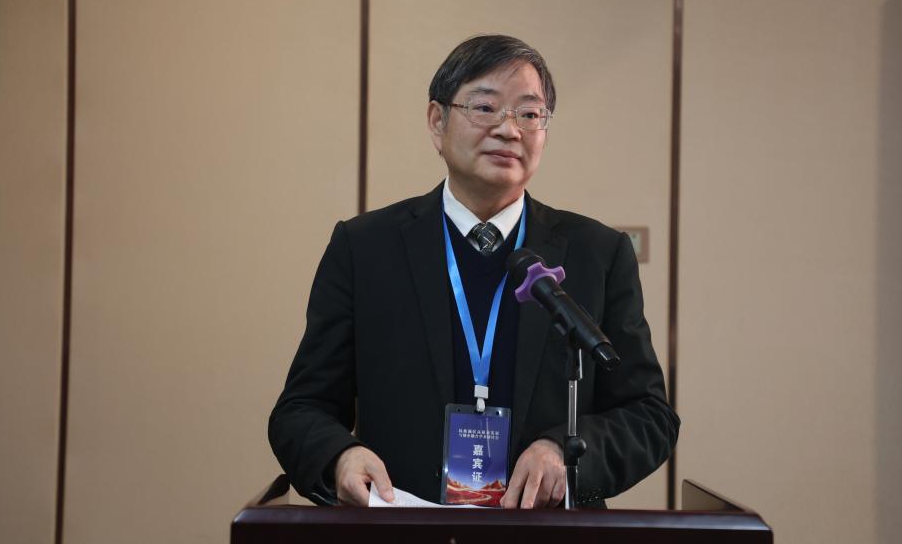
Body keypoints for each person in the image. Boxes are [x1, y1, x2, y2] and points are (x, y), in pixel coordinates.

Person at [269, 34, 679, 509]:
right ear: (437, 121)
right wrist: (340, 457)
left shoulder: (597, 254)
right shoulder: (365, 248)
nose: (510, 130)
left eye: (530, 114)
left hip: (546, 534)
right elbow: (301, 409)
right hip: (403, 529)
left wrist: (566, 455)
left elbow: (650, 416)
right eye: (485, 108)